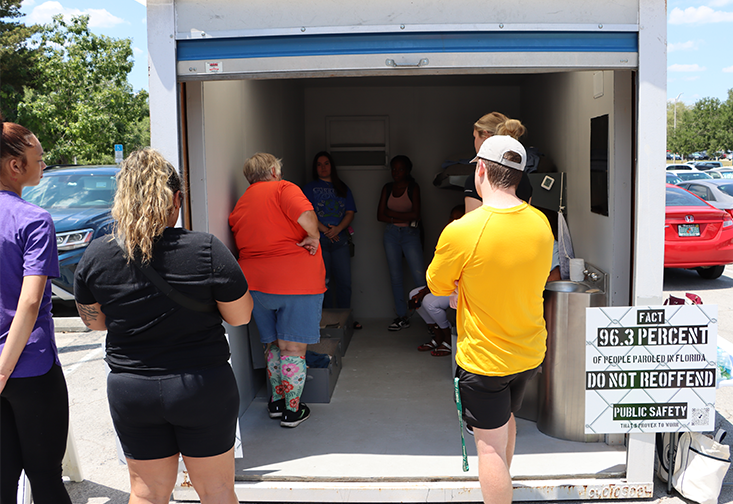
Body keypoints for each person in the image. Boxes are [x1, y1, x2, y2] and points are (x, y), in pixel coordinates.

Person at [74, 148, 253, 504]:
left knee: (146, 492)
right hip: (202, 386)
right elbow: (240, 316)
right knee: (216, 491)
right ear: (176, 199)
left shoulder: (97, 254)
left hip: (133, 390)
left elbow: (95, 322)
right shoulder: (206, 249)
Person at [427, 135, 554, 504]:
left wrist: (459, 291)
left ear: (480, 170)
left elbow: (436, 284)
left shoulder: (464, 230)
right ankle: (504, 485)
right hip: (528, 353)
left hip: (486, 362)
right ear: (517, 176)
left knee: (489, 450)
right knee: (506, 423)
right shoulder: (540, 222)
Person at [0, 120, 72, 503]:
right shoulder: (33, 219)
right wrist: (4, 368)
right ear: (15, 165)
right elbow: (29, 302)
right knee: (45, 478)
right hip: (30, 367)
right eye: (38, 158)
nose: (43, 164)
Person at [229, 153, 325, 428]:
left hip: (256, 286)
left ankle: (276, 403)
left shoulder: (243, 200)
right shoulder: (283, 188)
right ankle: (292, 411)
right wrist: (315, 235)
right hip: (296, 282)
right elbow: (306, 214)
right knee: (293, 347)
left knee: (272, 344)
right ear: (273, 170)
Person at [302, 151, 362, 329]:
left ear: (332, 166)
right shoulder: (309, 188)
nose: (323, 167)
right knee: (323, 283)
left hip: (340, 239)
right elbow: (307, 213)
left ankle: (345, 320)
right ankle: (327, 322)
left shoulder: (342, 187)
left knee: (344, 282)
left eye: (326, 163)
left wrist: (338, 229)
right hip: (319, 239)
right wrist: (326, 230)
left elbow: (350, 212)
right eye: (319, 164)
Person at [409, 204, 465, 356]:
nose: (453, 221)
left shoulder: (466, 240)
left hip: (462, 290)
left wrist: (425, 292)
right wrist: (422, 291)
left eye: (458, 218)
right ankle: (437, 334)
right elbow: (440, 272)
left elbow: (451, 276)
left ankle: (447, 338)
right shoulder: (449, 237)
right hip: (448, 285)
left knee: (429, 301)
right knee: (413, 294)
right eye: (451, 217)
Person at [377, 155, 425, 331]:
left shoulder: (413, 187)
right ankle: (401, 316)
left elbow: (416, 215)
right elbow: (379, 216)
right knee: (396, 277)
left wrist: (391, 215)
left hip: (410, 234)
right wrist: (401, 217)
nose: (396, 173)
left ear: (408, 171)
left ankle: (430, 319)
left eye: (400, 169)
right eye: (394, 169)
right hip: (391, 235)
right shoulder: (387, 188)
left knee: (419, 277)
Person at [465, 112, 533, 212]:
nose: (474, 142)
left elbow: (471, 224)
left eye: (475, 137)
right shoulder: (522, 177)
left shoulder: (479, 177)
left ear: (486, 136)